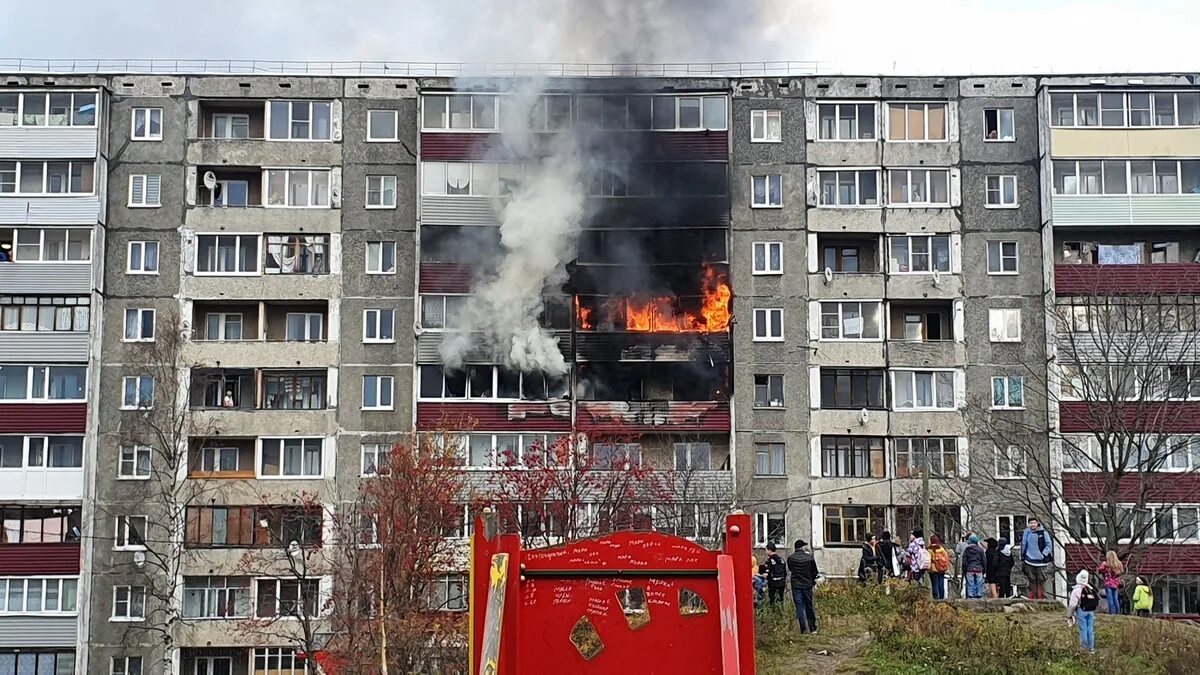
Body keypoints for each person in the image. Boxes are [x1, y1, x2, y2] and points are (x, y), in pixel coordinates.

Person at [787, 539, 819, 634]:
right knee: (809, 605)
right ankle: (812, 628)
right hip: (807, 584)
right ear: (802, 547)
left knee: (799, 606)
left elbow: (790, 569)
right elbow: (815, 572)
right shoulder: (809, 558)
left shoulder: (791, 558)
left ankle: (803, 628)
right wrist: (811, 580)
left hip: (796, 585)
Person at [1020, 518, 1054, 599]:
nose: (1032, 524)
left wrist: (1043, 554)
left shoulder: (1043, 532)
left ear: (1037, 523)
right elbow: (1023, 544)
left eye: (1034, 523)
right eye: (1031, 523)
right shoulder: (1026, 532)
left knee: (1041, 579)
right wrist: (1022, 555)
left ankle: (1042, 597)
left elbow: (1049, 545)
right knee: (1032, 579)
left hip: (1041, 561)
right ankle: (1034, 597)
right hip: (1029, 560)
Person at [1067, 569, 1099, 654]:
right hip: (1091, 611)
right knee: (1090, 629)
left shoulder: (1076, 590)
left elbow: (1072, 604)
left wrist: (1069, 614)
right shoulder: (1090, 589)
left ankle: (1084, 648)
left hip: (1082, 610)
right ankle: (1091, 648)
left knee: (1083, 629)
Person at [1097, 550, 1124, 615]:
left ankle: (1111, 612)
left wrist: (1103, 564)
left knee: (1110, 599)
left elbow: (1100, 570)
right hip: (1116, 584)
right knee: (1115, 599)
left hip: (1108, 584)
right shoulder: (1118, 564)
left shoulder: (1106, 565)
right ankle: (1117, 613)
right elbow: (1121, 572)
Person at [962, 534, 988, 599]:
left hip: (969, 569)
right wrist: (984, 570)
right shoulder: (980, 550)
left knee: (970, 583)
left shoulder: (967, 550)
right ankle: (979, 595)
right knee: (979, 583)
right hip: (979, 569)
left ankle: (971, 596)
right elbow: (984, 560)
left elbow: (964, 561)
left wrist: (964, 570)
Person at [928, 534, 951, 600]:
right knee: (941, 584)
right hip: (942, 569)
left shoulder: (930, 550)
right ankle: (942, 598)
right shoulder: (942, 549)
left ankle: (936, 599)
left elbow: (929, 559)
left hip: (934, 569)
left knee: (935, 584)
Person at [955, 530, 974, 598]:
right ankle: (971, 595)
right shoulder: (974, 545)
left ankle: (965, 594)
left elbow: (957, 550)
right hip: (973, 565)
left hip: (963, 564)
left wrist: (960, 541)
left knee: (964, 580)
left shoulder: (962, 544)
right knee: (971, 581)